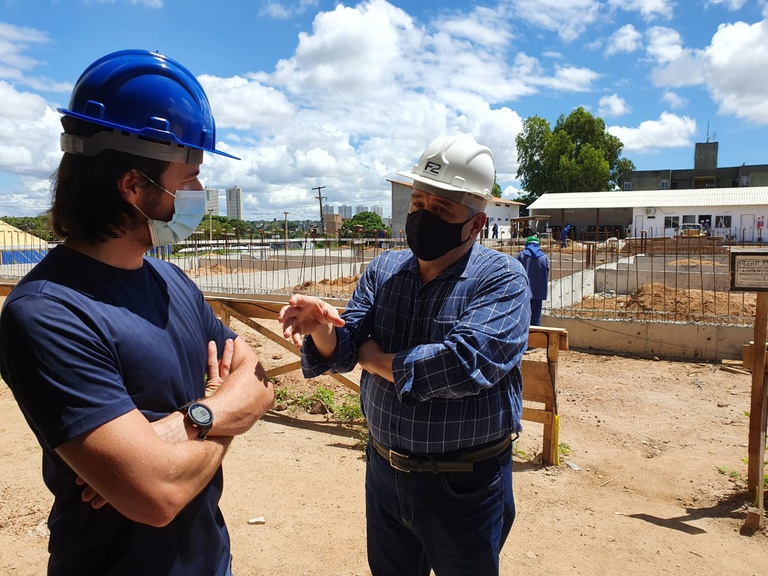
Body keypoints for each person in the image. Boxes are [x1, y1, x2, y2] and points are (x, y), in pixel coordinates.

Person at [0, 50, 274, 576]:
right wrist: (217, 411)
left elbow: (258, 379)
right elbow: (158, 495)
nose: (198, 194)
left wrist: (189, 425)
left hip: (209, 560)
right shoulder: (47, 313)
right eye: (189, 177)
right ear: (133, 186)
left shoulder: (170, 279)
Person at [279, 134, 530, 576]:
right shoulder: (384, 270)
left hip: (464, 484)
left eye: (441, 209)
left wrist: (373, 359)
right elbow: (345, 343)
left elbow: (461, 364)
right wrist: (321, 329)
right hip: (385, 472)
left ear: (475, 224)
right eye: (418, 204)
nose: (423, 216)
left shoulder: (502, 279)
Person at [517, 235, 550, 326]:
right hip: (539, 290)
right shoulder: (544, 257)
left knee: (523, 316)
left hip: (523, 290)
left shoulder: (521, 255)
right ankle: (535, 335)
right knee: (536, 316)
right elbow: (546, 273)